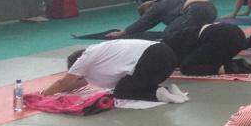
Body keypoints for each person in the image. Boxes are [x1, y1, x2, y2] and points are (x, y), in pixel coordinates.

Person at [44, 40, 187, 104]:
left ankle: (159, 93)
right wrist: (62, 89)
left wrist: (43, 94)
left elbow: (63, 82)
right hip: (166, 56)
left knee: (120, 91)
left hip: (151, 59)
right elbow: (78, 83)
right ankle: (170, 89)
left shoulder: (84, 59)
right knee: (131, 83)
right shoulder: (99, 52)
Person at [105, 0, 219, 58]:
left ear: (148, 9)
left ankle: (176, 57)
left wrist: (122, 32)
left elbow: (143, 22)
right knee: (192, 32)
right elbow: (148, 24)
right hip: (210, 9)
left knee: (169, 34)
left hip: (196, 10)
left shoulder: (156, 6)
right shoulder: (167, 2)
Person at [176, 22, 251, 75]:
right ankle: (236, 64)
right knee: (207, 59)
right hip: (238, 35)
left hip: (220, 37)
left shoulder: (176, 40)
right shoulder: (184, 33)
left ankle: (227, 68)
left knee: (186, 68)